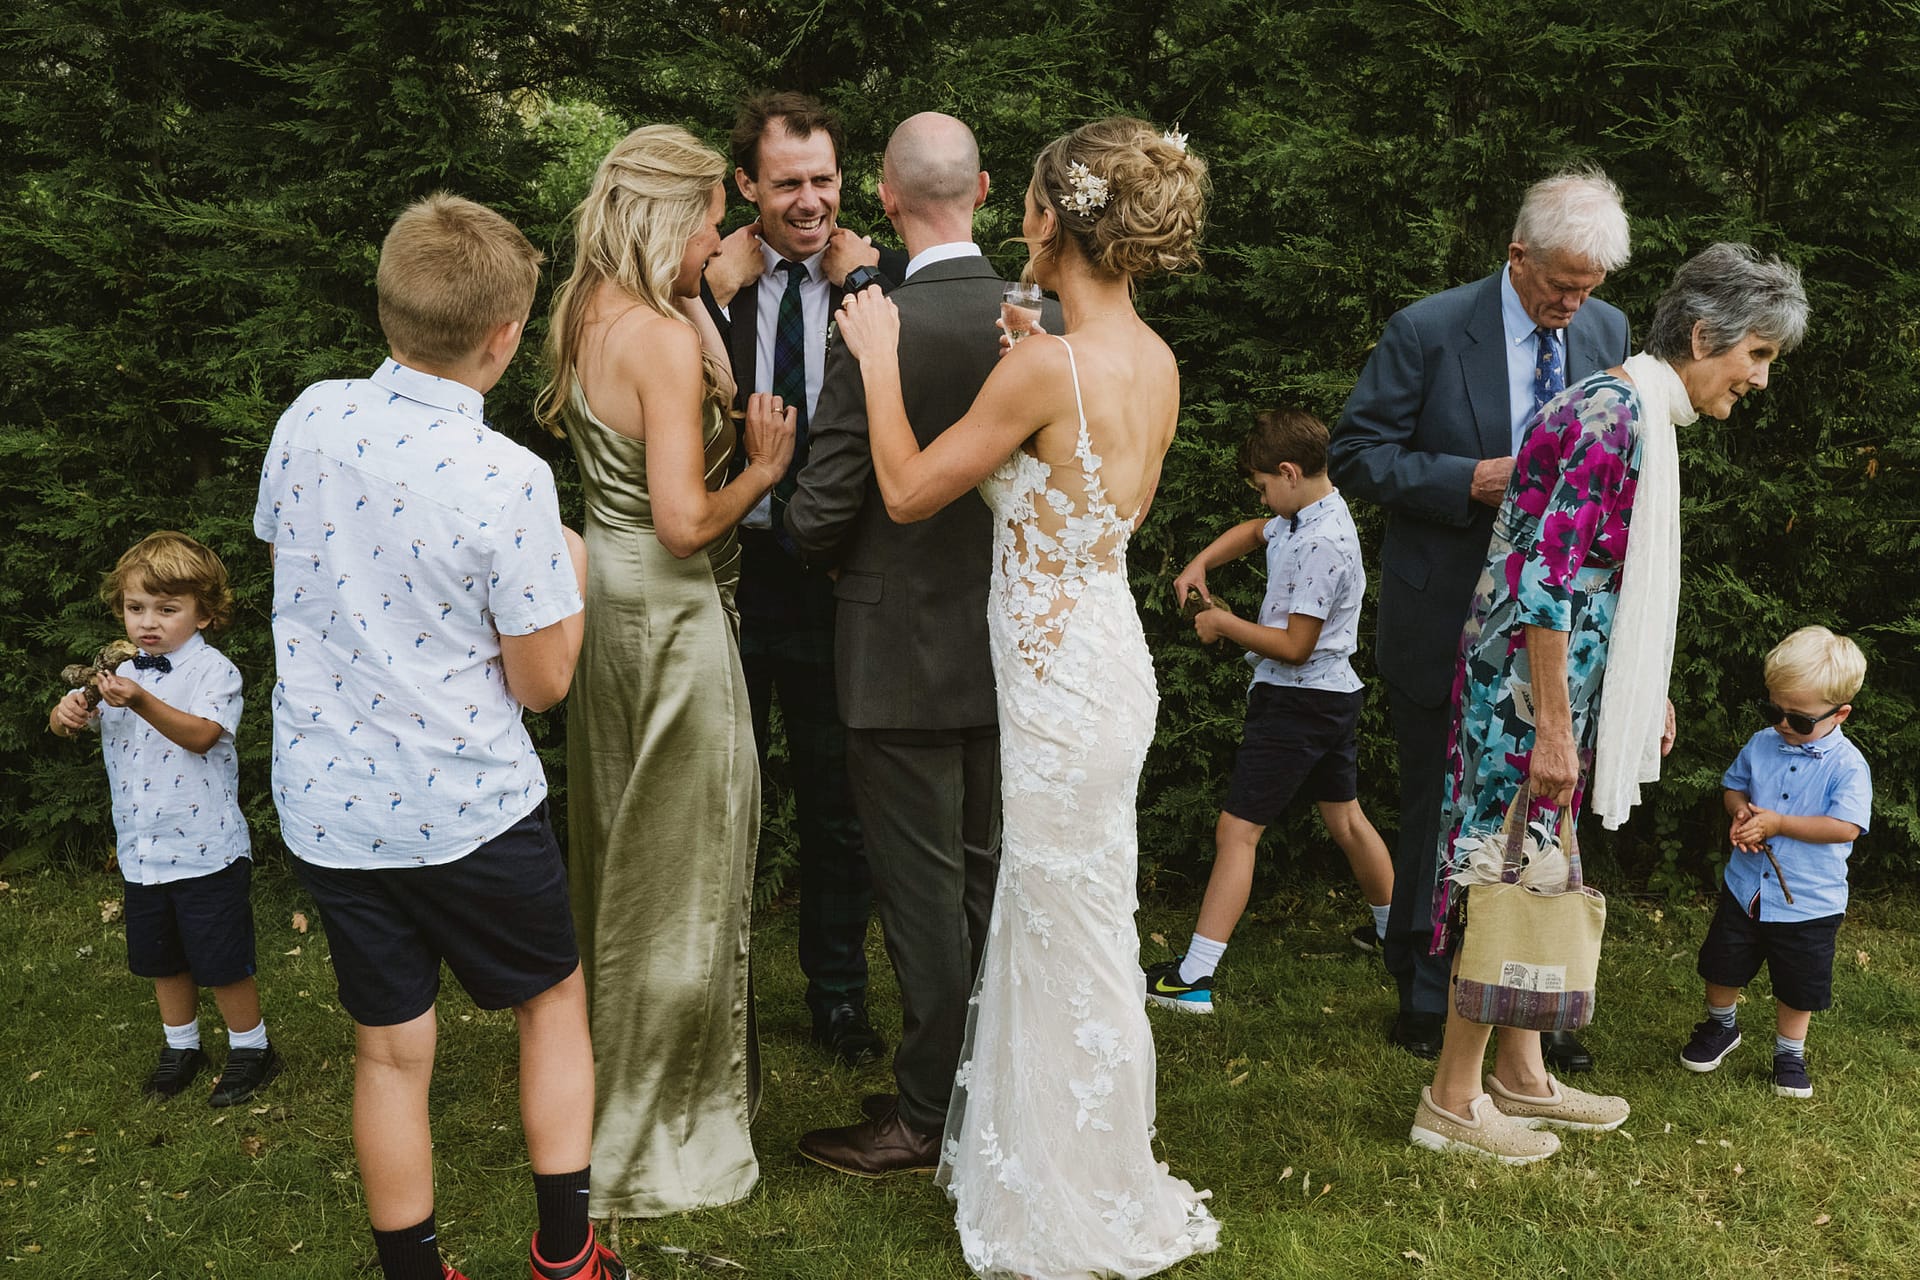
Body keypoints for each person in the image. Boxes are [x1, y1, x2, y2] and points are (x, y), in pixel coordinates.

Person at [835, 116, 1218, 1278]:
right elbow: (1084, 497)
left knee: (1055, 922)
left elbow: (905, 490)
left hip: (1057, 682)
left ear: (1054, 218)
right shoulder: (1146, 357)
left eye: (1033, 211)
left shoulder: (1049, 364)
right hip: (1104, 655)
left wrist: (874, 353)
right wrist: (1019, 354)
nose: (1020, 227)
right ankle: (1074, 1146)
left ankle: (1070, 1180)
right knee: (1073, 916)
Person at [255, 194, 620, 1280]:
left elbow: (297, 569)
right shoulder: (509, 477)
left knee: (388, 1046)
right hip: (467, 804)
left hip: (331, 803)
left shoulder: (307, 417)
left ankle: (414, 1273)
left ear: (387, 308)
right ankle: (567, 1255)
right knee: (551, 999)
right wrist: (581, 576)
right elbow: (545, 681)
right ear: (506, 337)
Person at [1408, 242, 1809, 1163]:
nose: (1758, 380)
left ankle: (1522, 1074)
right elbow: (1548, 581)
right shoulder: (1611, 414)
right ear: (1706, 336)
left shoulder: (1638, 411)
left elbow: (1605, 581)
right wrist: (1553, 723)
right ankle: (1451, 1100)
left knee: (1539, 870)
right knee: (1503, 874)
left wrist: (1639, 686)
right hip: (1524, 695)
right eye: (1756, 356)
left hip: (1555, 690)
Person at [786, 111, 1060, 1176]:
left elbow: (824, 509)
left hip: (894, 656)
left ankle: (919, 1113)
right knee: (987, 879)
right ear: (985, 189)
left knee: (918, 891)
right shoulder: (1041, 325)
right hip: (1009, 646)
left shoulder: (878, 324)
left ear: (887, 203)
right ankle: (981, 1084)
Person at [537, 125, 794, 1217]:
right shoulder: (650, 332)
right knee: (682, 875)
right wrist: (768, 465)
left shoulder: (589, 306)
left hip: (610, 608)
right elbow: (689, 520)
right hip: (673, 613)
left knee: (623, 864)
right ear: (663, 220)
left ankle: (610, 1101)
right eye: (705, 223)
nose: (719, 239)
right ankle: (655, 1137)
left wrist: (699, 292)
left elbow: (688, 394)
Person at [1329, 168, 1632, 1071]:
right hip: (1446, 618)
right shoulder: (1427, 329)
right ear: (1517, 254)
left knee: (1542, 819)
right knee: (1436, 817)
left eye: (1589, 290)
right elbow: (1355, 453)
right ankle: (1427, 1000)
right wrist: (1467, 479)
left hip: (1552, 636)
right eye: (1559, 286)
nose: (1573, 306)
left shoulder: (1607, 333)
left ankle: (1534, 1014)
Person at [700, 91, 910, 1066]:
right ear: (747, 185)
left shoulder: (886, 283)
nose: (810, 199)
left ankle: (838, 998)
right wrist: (712, 292)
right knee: (723, 802)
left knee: (839, 806)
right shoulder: (709, 284)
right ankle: (718, 996)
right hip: (730, 579)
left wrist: (873, 288)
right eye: (788, 182)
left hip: (838, 584)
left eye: (824, 178)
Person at [1145, 409, 1394, 1014]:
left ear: (1288, 471)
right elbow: (1257, 530)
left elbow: (1294, 645)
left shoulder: (1319, 544)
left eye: (1262, 484)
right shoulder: (1306, 513)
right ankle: (1400, 941)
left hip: (1298, 700)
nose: (1261, 497)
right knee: (1348, 820)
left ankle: (1194, 980)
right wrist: (1200, 562)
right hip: (1332, 695)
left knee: (1238, 830)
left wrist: (1223, 622)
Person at [48, 531, 278, 1107]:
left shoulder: (213, 672)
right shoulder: (116, 675)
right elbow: (67, 728)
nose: (148, 622)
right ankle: (183, 1046)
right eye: (135, 608)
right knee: (161, 956)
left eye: (167, 609)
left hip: (206, 849)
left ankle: (252, 1048)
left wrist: (143, 701)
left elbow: (202, 736)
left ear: (204, 614)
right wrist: (69, 712)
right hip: (143, 849)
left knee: (221, 959)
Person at [1680, 626, 1870, 1100]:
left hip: (1809, 901)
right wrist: (1741, 810)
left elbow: (1845, 827)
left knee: (1797, 983)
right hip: (1746, 887)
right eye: (1775, 710)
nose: (1784, 723)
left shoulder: (1847, 765)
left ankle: (1790, 1051)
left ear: (1839, 713)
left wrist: (1781, 823)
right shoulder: (1762, 742)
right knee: (1721, 964)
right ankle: (1722, 1026)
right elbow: (1733, 786)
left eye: (1800, 719)